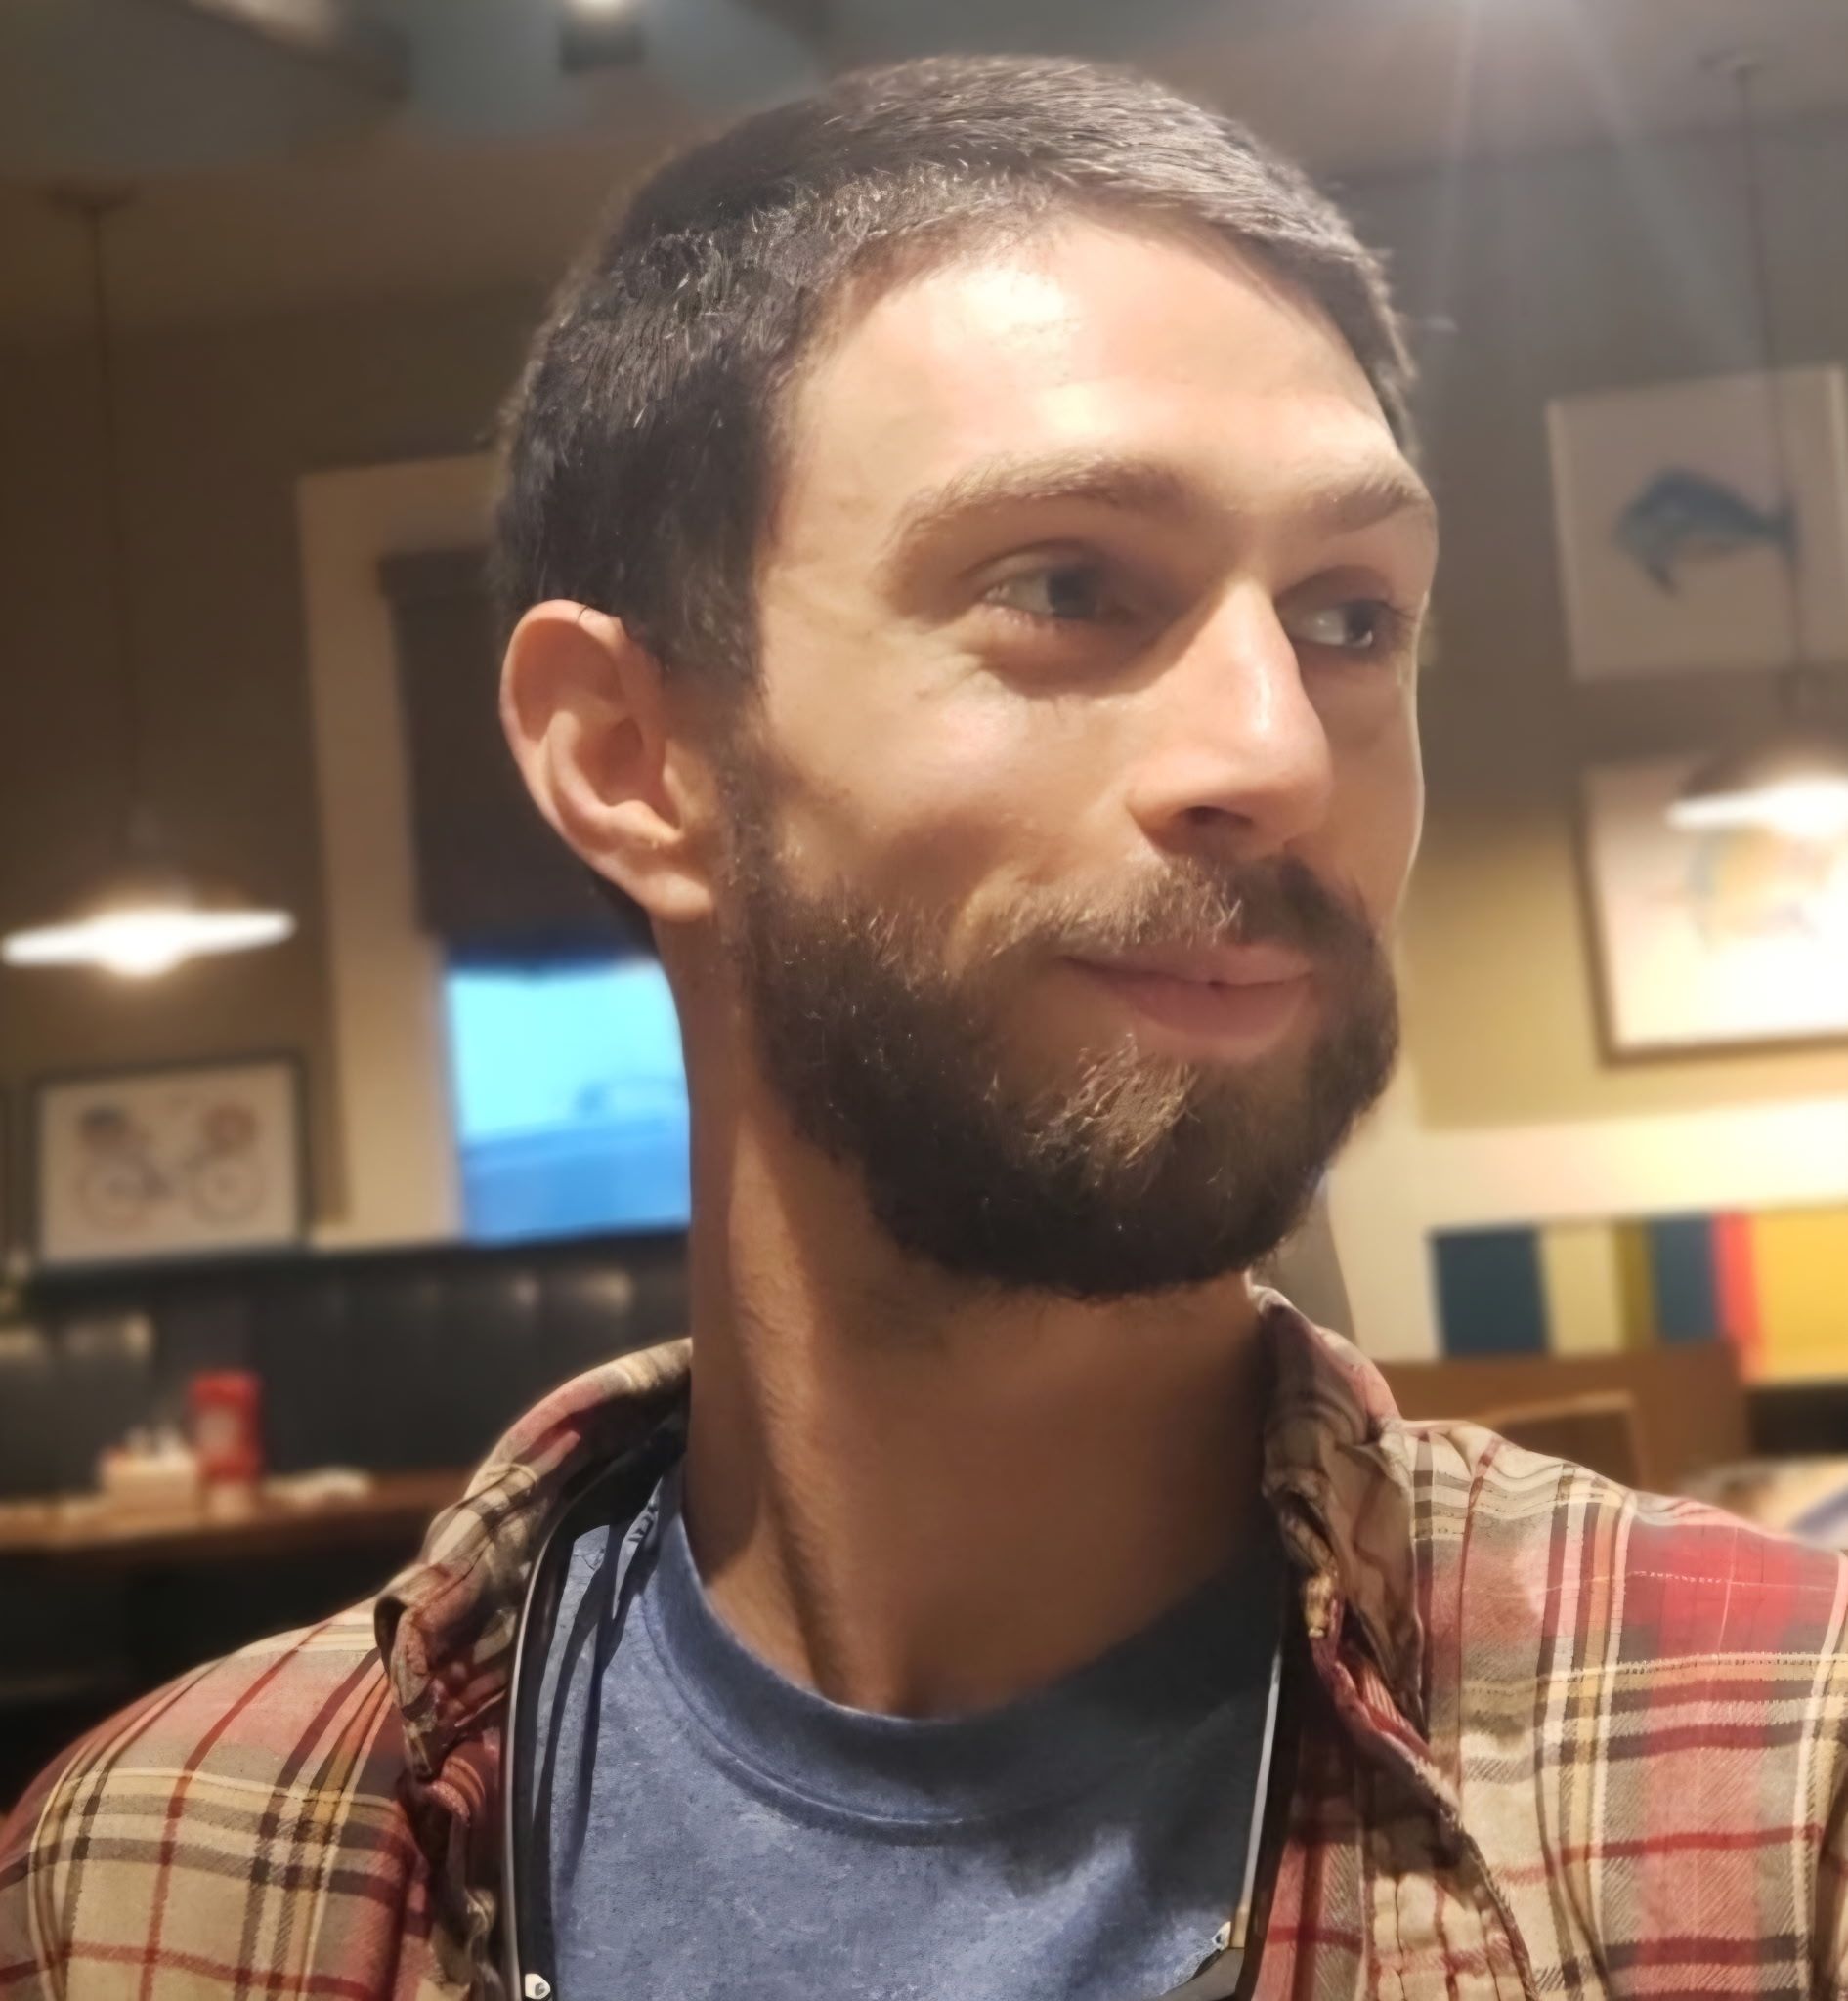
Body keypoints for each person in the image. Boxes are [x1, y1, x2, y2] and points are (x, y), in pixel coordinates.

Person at [4, 53, 1846, 2001]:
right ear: (629, 758)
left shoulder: (1769, 1784)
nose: (1276, 754)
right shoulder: (151, 1887)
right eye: (1065, 584)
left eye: (1347, 617)